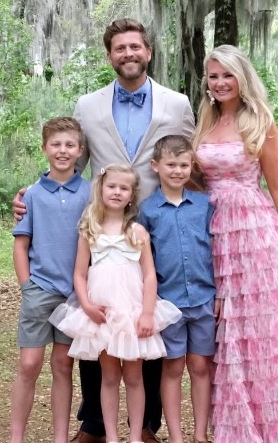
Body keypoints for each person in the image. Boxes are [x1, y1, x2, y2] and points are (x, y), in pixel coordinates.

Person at [14, 18, 195, 443]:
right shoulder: (88, 106)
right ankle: (94, 423)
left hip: (157, 222)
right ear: (110, 55)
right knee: (98, 315)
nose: (128, 54)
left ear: (148, 52)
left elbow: (188, 162)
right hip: (103, 223)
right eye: (120, 48)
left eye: (135, 47)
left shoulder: (177, 103)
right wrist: (31, 194)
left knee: (144, 318)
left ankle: (145, 425)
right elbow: (71, 165)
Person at [193, 44, 278, 442]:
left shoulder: (260, 121)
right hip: (211, 234)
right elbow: (194, 178)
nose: (219, 83)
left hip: (254, 236)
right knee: (223, 336)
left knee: (262, 338)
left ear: (241, 78)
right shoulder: (203, 120)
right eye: (213, 76)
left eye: (227, 75)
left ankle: (276, 430)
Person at [49, 164, 182, 443]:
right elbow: (80, 273)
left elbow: (148, 275)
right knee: (108, 376)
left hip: (131, 311)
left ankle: (134, 436)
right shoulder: (89, 229)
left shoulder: (137, 231)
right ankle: (111, 436)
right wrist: (85, 304)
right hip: (102, 311)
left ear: (132, 195)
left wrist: (147, 314)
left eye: (124, 188)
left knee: (134, 375)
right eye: (112, 186)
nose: (117, 192)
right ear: (101, 189)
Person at [9, 117, 91, 443]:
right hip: (40, 290)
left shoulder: (89, 193)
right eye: (56, 144)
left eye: (70, 145)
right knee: (29, 364)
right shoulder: (31, 195)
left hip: (73, 295)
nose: (62, 151)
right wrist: (27, 285)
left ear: (80, 150)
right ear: (44, 149)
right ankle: (16, 436)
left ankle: (60, 437)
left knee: (63, 366)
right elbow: (21, 245)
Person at [137, 135, 216, 443]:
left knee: (199, 366)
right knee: (172, 368)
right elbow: (144, 264)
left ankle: (199, 435)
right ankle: (176, 435)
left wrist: (220, 293)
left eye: (184, 165)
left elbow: (216, 251)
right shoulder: (148, 211)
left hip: (204, 300)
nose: (178, 171)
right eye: (171, 164)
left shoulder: (204, 205)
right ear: (156, 166)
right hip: (167, 304)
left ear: (191, 166)